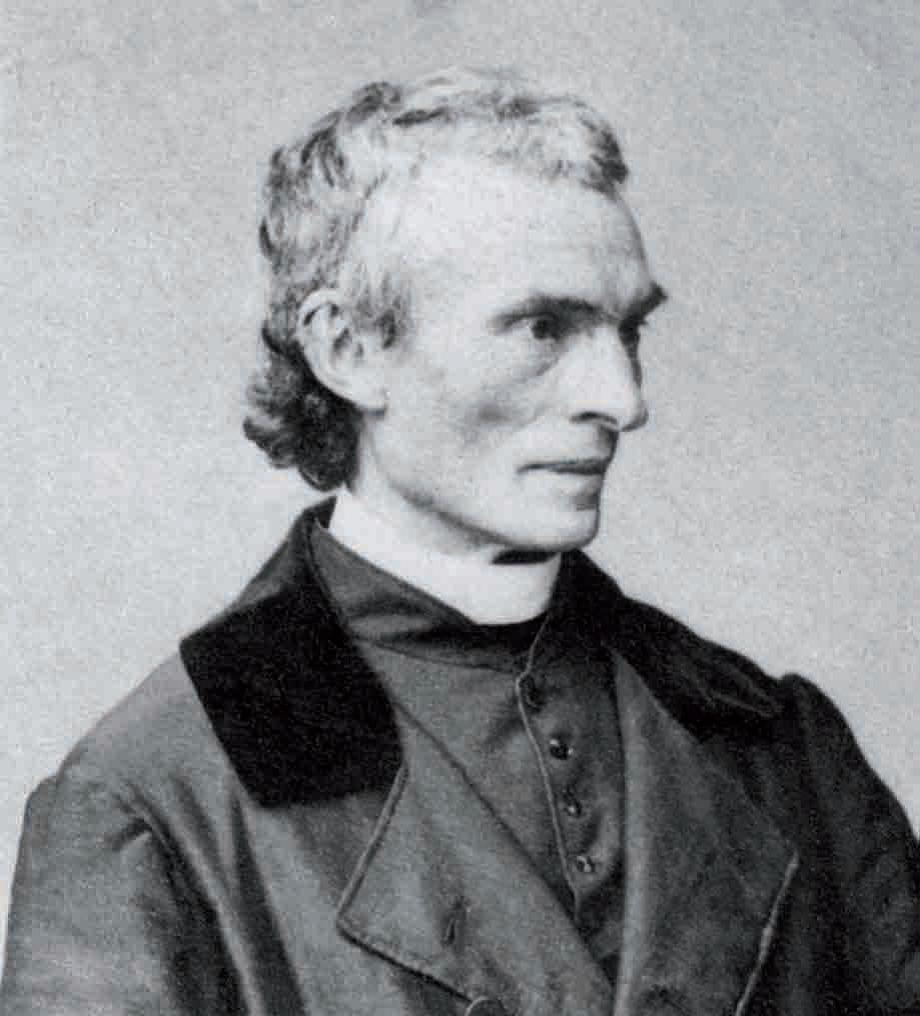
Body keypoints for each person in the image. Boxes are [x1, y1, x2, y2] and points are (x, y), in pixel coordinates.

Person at [2, 67, 918, 1016]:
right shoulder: (155, 795)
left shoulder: (782, 749)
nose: (622, 400)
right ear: (348, 349)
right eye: (543, 329)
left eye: (629, 331)